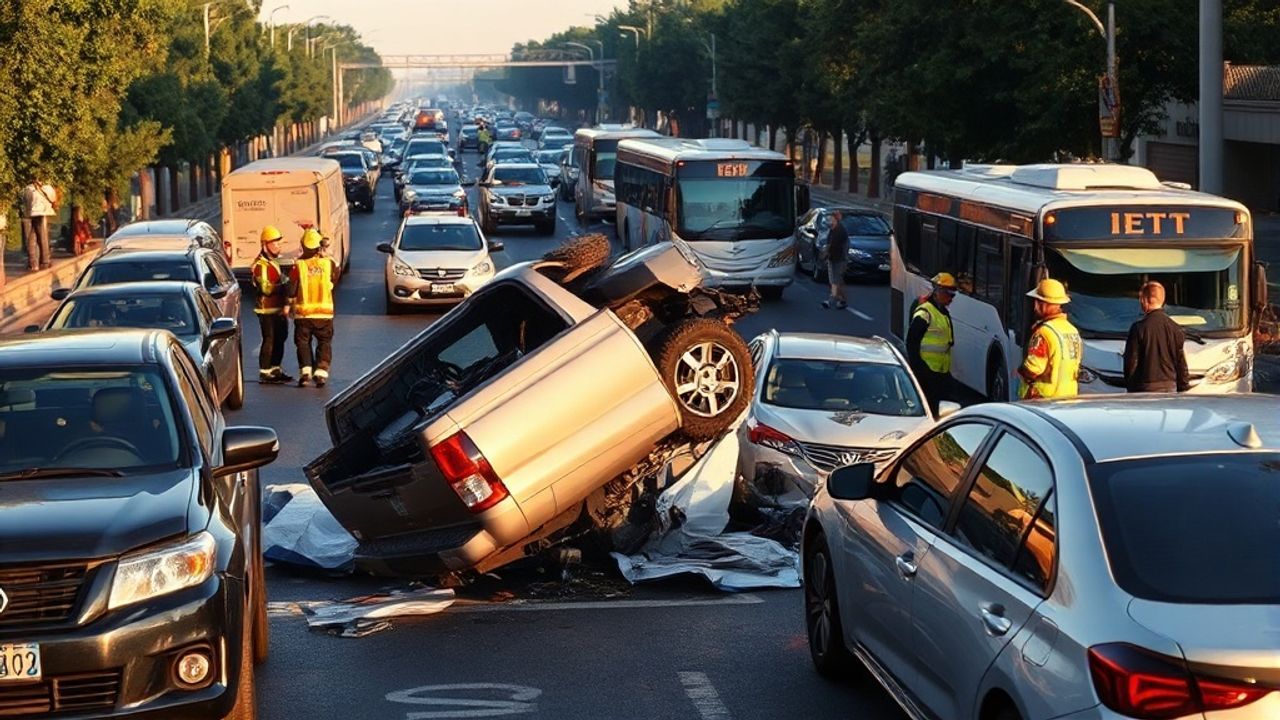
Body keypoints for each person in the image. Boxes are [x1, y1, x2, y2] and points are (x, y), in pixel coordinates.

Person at [289, 228, 338, 388]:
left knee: (303, 342)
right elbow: (335, 279)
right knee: (324, 341)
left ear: (303, 246)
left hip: (304, 315)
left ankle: (306, 370)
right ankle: (321, 372)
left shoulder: (299, 266)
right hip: (324, 314)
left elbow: (291, 289)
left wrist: (289, 305)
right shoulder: (328, 263)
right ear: (318, 247)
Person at [1018, 278, 1082, 399]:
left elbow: (1034, 368)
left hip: (1042, 401)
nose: (1035, 307)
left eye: (1037, 302)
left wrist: (1020, 372)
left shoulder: (1044, 332)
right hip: (1068, 399)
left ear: (1043, 303)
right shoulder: (1072, 331)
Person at [1123, 281, 1190, 393]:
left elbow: (1131, 364)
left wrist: (1131, 387)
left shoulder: (1138, 328)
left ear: (1144, 300)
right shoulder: (1176, 329)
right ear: (1162, 300)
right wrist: (1182, 388)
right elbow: (1180, 363)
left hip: (1143, 389)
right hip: (1170, 388)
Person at [906, 272, 957, 414]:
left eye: (954, 295)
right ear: (938, 292)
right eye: (949, 294)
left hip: (941, 372)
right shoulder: (925, 313)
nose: (952, 299)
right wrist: (921, 370)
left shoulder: (942, 312)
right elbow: (911, 344)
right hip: (927, 374)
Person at [252, 225, 294, 385]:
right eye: (275, 243)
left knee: (281, 337)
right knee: (269, 338)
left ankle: (276, 368)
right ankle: (265, 371)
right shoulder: (261, 265)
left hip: (277, 309)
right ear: (265, 245)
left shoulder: (272, 262)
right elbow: (266, 288)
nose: (278, 246)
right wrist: (283, 284)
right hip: (266, 309)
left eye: (279, 243)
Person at [21, 177, 58, 271]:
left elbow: (25, 201)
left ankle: (33, 263)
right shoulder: (48, 187)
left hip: (30, 214)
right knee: (43, 238)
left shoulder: (27, 188)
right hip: (43, 214)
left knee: (30, 238)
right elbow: (53, 199)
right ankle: (45, 261)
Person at [822, 210, 849, 309]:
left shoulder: (840, 231)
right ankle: (842, 300)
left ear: (836, 220)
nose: (829, 221)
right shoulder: (833, 229)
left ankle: (831, 300)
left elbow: (834, 246)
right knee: (835, 281)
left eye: (831, 219)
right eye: (829, 219)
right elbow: (829, 244)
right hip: (833, 258)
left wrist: (826, 254)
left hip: (839, 259)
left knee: (835, 281)